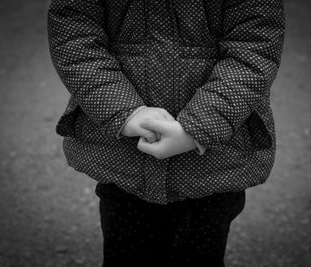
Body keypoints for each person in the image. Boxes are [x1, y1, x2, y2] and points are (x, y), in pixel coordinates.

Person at [47, 0, 285, 266]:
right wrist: (124, 110)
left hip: (212, 166)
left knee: (199, 255)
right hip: (127, 162)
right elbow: (74, 35)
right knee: (127, 254)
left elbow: (255, 48)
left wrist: (199, 126)